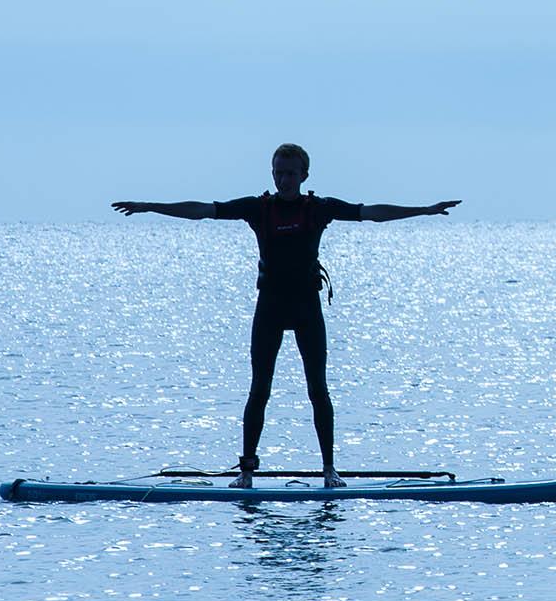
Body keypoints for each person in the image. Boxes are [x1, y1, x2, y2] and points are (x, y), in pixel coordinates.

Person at [112, 143, 460, 488]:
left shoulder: (319, 208)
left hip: (306, 305)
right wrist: (150, 207)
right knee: (259, 388)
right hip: (271, 306)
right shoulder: (257, 208)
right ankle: (246, 473)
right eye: (279, 172)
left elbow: (371, 213)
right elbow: (203, 209)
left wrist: (425, 210)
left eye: (291, 173)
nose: (284, 179)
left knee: (317, 389)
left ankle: (329, 471)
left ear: (304, 175)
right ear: (273, 173)